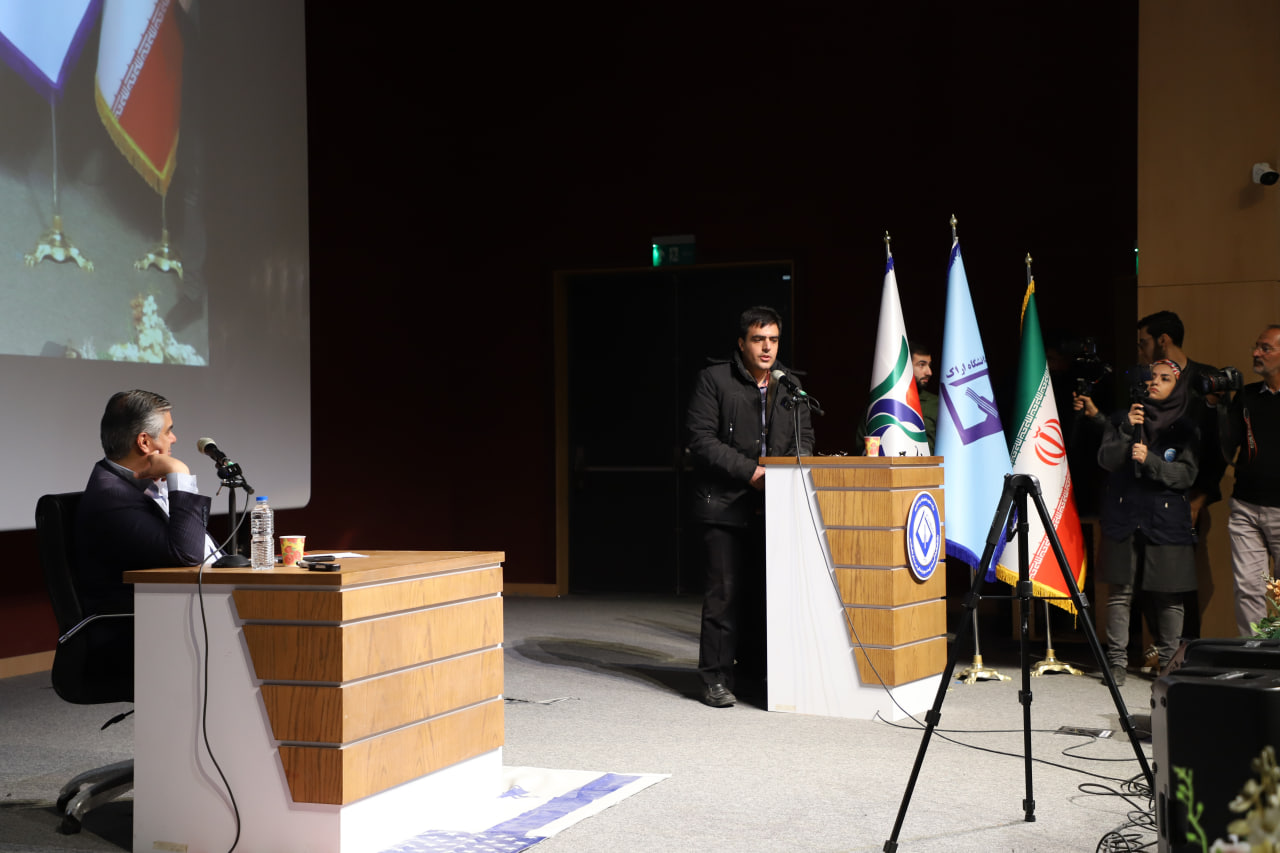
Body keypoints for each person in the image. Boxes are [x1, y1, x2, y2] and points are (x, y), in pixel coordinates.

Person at [685, 306, 815, 707]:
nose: (767, 348)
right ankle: (715, 678)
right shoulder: (714, 379)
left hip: (772, 506)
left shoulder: (789, 385)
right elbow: (701, 439)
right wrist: (751, 472)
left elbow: (805, 440)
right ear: (742, 343)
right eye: (759, 340)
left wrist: (786, 474)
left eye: (773, 340)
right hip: (724, 504)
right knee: (724, 594)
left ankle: (755, 674)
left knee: (763, 594)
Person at [1083, 359, 1198, 685]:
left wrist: (1152, 462)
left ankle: (1170, 665)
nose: (1154, 383)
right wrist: (1124, 430)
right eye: (1151, 377)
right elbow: (1106, 460)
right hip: (1124, 514)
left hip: (1167, 519)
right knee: (1120, 592)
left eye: (1164, 378)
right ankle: (1116, 663)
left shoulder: (1186, 425)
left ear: (1178, 385)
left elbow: (1186, 474)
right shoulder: (1123, 418)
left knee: (1169, 595)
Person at [75, 390, 217, 617]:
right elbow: (189, 555)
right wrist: (179, 472)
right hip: (147, 625)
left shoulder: (139, 484)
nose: (174, 438)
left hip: (194, 606)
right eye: (168, 431)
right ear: (144, 442)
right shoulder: (112, 495)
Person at [1220, 325, 1280, 636]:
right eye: (1256, 346)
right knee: (1248, 589)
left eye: (1265, 348)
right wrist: (1215, 406)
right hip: (1245, 506)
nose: (1256, 353)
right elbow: (1226, 445)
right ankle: (1256, 653)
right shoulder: (1246, 396)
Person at [856, 340, 937, 453]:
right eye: (921, 365)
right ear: (905, 366)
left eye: (929, 365)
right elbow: (862, 444)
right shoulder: (881, 400)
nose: (929, 372)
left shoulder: (936, 404)